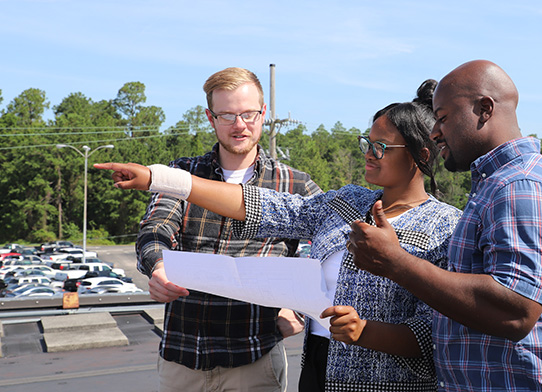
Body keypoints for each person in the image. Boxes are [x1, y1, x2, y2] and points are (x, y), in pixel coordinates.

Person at [96, 80, 462, 392]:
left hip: (384, 380)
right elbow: (260, 204)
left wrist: (365, 331)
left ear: (420, 156)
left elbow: (435, 333)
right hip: (317, 368)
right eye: (366, 141)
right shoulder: (347, 203)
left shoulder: (446, 227)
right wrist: (159, 178)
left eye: (380, 147)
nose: (368, 153)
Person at [347, 60, 542, 391]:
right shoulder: (496, 184)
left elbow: (517, 311)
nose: (435, 131)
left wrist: (397, 264)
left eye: (442, 118)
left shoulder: (521, 185)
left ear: (484, 108)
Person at [133, 67, 321, 392]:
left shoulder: (296, 185)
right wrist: (158, 266)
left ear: (264, 114)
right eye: (227, 115)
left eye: (248, 114)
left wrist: (302, 312)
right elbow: (155, 229)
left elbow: (334, 255)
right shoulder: (182, 174)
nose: (239, 125)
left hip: (256, 361)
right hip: (183, 359)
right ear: (210, 118)